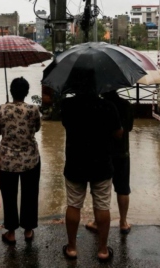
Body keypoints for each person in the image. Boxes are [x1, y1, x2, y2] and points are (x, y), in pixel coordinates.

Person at [61, 92, 122, 262]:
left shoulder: (67, 105)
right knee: (102, 205)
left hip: (75, 163)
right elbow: (118, 133)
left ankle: (72, 248)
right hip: (101, 163)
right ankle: (103, 250)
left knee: (73, 204)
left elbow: (66, 124)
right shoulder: (108, 106)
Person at [0, 77, 41, 245]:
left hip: (7, 161)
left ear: (12, 92)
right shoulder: (33, 109)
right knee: (30, 193)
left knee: (9, 195)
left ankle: (11, 232)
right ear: (26, 92)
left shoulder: (2, 109)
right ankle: (28, 231)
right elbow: (37, 128)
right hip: (30, 160)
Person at [86, 91, 134, 235]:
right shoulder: (127, 105)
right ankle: (123, 222)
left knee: (99, 190)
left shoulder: (98, 106)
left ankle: (97, 222)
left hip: (101, 153)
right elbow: (130, 128)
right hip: (122, 152)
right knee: (123, 188)